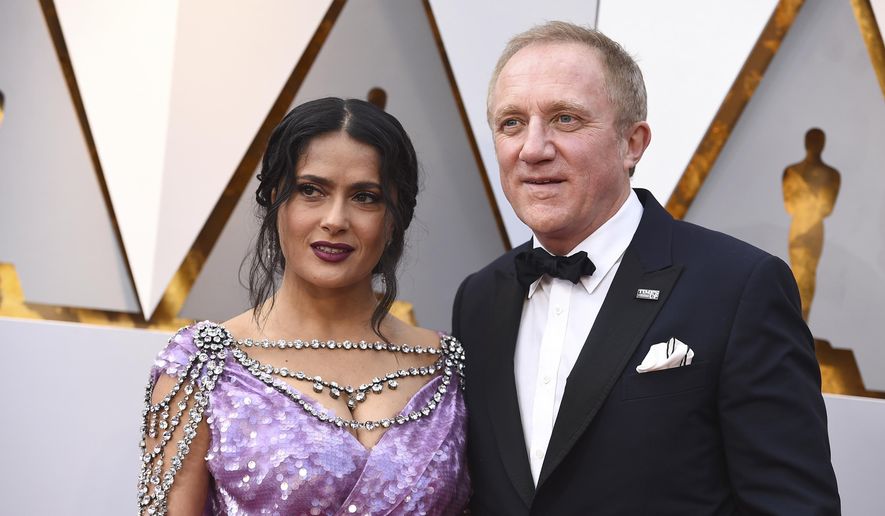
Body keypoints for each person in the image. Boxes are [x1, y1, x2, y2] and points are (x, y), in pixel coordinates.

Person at [452, 21, 840, 515]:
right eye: (511, 123)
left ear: (632, 143)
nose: (532, 148)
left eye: (565, 119)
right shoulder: (479, 298)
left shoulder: (739, 287)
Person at [138, 97, 469, 515]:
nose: (335, 219)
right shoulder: (203, 365)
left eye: (365, 197)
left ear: (394, 216)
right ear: (277, 198)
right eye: (311, 190)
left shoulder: (445, 367)